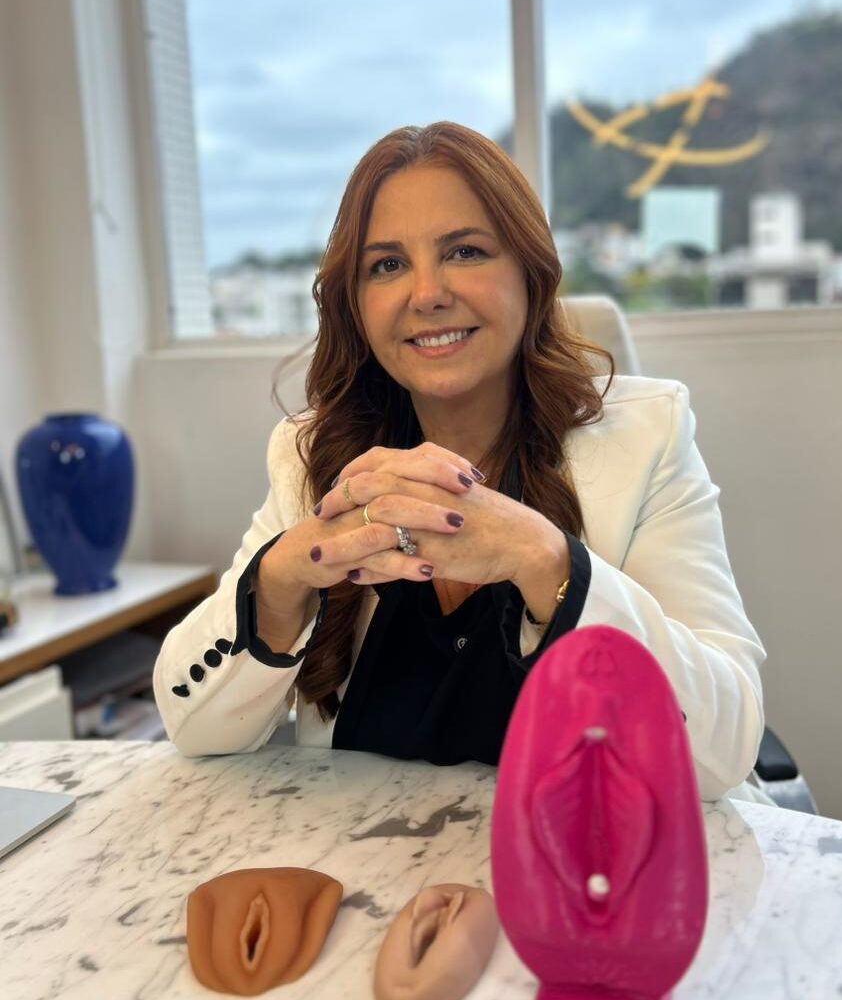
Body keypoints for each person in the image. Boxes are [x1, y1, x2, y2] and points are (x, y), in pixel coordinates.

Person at [153, 121, 767, 802]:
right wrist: (276, 581)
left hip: (591, 860)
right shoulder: (314, 458)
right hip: (371, 862)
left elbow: (723, 750)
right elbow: (194, 728)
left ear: (531, 273)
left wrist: (545, 562)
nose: (426, 294)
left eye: (465, 252)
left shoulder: (648, 435)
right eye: (387, 265)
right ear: (356, 305)